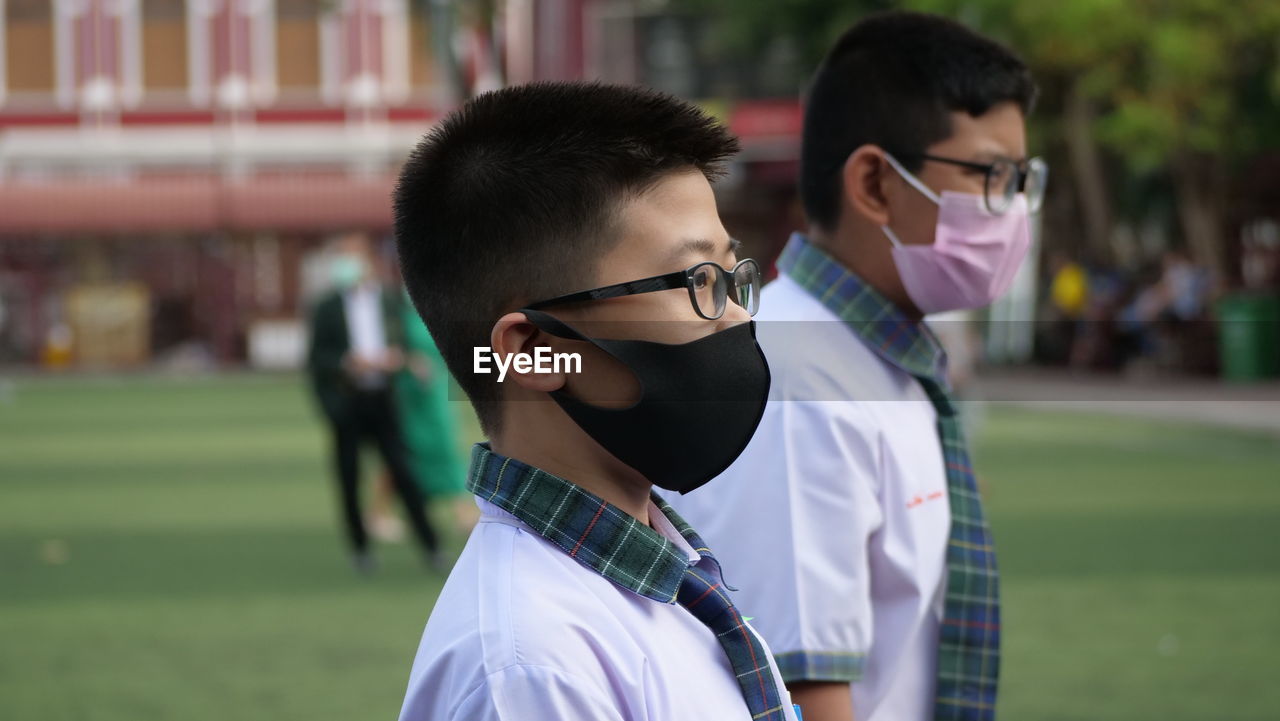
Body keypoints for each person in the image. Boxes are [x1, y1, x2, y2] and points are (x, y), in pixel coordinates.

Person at [669, 12, 1044, 721]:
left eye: (1025, 179)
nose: (1014, 210)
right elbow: (802, 693)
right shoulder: (800, 384)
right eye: (994, 175)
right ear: (874, 182)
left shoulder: (873, 361)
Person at [393, 82, 798, 721]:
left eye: (732, 277)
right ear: (532, 349)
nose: (736, 318)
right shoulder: (536, 669)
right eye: (695, 282)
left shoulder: (669, 574)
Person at [305, 232, 443, 573]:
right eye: (340, 258)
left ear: (367, 260)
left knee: (404, 471)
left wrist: (406, 360)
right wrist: (345, 363)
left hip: (384, 399)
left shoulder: (388, 299)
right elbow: (316, 359)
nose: (344, 265)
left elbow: (406, 343)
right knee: (349, 477)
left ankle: (431, 546)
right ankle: (360, 550)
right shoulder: (326, 307)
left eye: (350, 257)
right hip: (348, 402)